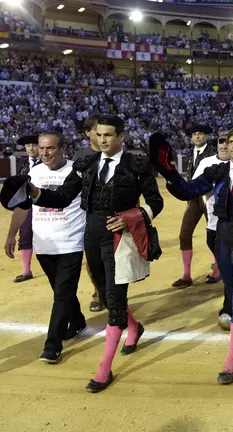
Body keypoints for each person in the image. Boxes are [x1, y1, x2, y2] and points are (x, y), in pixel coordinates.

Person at [26, 115, 163, 393]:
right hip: (92, 236)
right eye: (99, 135)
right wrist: (36, 193)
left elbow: (155, 202)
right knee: (105, 292)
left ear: (121, 137)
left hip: (120, 239)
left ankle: (104, 369)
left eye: (108, 135)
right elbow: (63, 197)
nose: (102, 140)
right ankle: (134, 328)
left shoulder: (136, 165)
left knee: (114, 297)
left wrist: (133, 217)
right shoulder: (86, 165)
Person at [162, 125, 233, 385]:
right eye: (230, 142)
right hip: (223, 238)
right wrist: (169, 173)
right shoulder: (217, 171)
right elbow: (188, 191)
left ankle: (230, 362)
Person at [4, 131, 87, 363]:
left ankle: (52, 345)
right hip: (44, 245)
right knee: (61, 291)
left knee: (61, 294)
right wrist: (12, 234)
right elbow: (23, 206)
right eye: (41, 148)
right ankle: (78, 320)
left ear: (62, 149)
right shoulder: (34, 172)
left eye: (49, 148)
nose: (44, 153)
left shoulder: (77, 171)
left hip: (71, 242)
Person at [192, 133, 230, 328]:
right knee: (226, 268)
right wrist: (171, 174)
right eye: (221, 142)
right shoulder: (207, 163)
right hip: (213, 225)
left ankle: (230, 307)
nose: (224, 145)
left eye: (229, 142)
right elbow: (192, 188)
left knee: (232, 269)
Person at [173, 124, 216, 288]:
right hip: (195, 199)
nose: (197, 136)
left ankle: (217, 267)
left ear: (206, 136)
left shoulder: (213, 153)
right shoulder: (191, 154)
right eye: (195, 134)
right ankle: (186, 274)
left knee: (214, 232)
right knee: (185, 234)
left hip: (210, 197)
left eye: (200, 134)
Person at [75, 114, 106, 313]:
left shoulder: (115, 152)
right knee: (92, 255)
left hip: (112, 212)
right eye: (96, 128)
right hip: (87, 213)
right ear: (88, 132)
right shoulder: (81, 156)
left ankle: (111, 292)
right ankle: (98, 291)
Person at [12, 135, 40, 283]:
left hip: (44, 204)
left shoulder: (48, 163)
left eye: (34, 145)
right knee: (25, 233)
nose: (30, 148)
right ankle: (26, 270)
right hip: (27, 204)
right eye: (28, 146)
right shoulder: (24, 164)